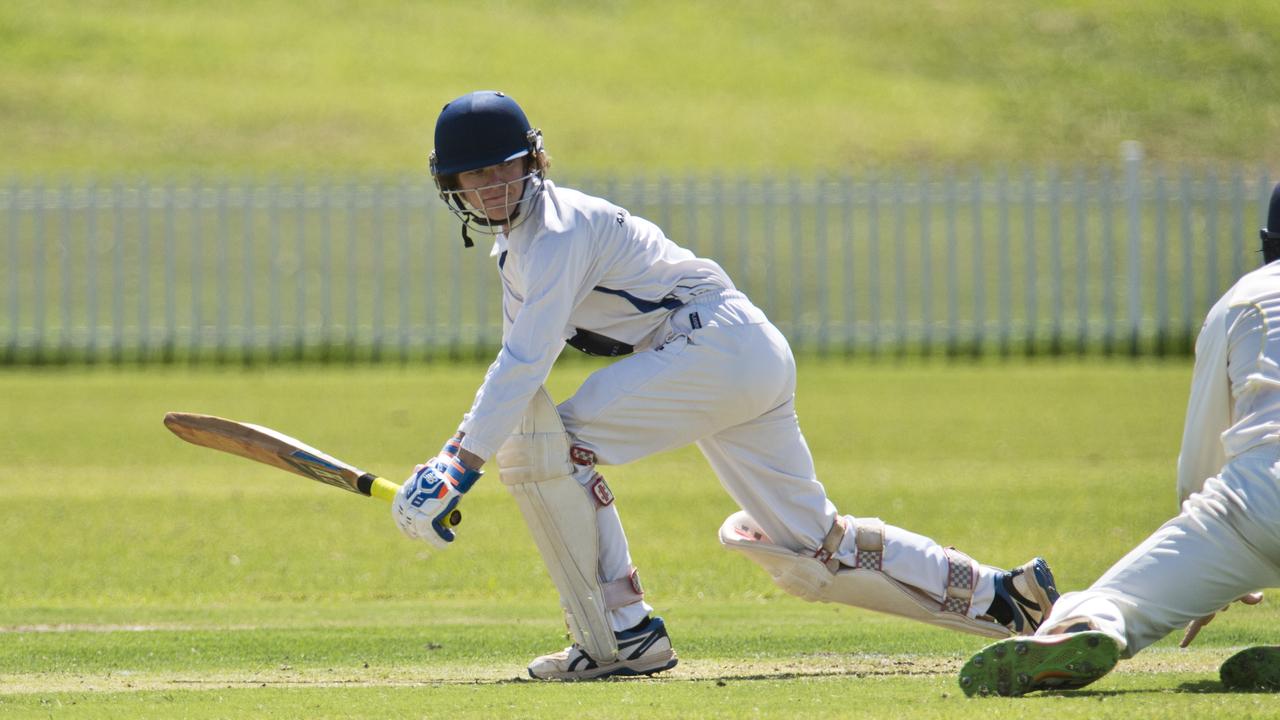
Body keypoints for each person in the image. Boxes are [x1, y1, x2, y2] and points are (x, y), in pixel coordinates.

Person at [390, 90, 1061, 681]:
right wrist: (452, 459)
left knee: (550, 449)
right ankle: (1001, 595)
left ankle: (622, 631)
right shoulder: (523, 248)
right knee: (812, 548)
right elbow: (519, 382)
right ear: (453, 183)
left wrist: (457, 465)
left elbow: (523, 365)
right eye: (479, 172)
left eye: (508, 165)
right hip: (737, 351)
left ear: (534, 159)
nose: (497, 185)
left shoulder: (560, 232)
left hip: (709, 349)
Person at [957, 183, 1280, 697]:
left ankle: (1082, 626)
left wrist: (1211, 559)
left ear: (1268, 241)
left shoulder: (1243, 299)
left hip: (1254, 504)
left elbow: (1202, 455)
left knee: (1117, 602)